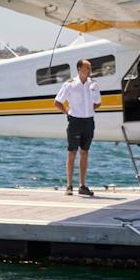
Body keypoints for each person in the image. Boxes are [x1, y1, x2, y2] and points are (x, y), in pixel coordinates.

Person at [53, 58, 101, 196]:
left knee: (85, 152)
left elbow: (98, 103)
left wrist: (88, 110)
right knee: (72, 152)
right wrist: (67, 112)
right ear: (79, 69)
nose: (90, 70)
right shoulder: (70, 84)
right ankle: (69, 186)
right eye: (87, 68)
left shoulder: (93, 84)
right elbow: (57, 102)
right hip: (75, 121)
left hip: (89, 121)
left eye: (90, 68)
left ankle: (82, 186)